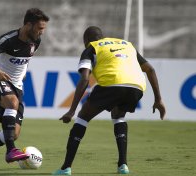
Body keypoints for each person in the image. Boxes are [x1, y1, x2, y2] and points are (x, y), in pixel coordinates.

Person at [52, 26, 166, 175]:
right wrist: (158, 99)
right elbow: (150, 70)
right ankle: (123, 165)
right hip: (136, 86)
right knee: (118, 116)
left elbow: (85, 79)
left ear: (86, 40)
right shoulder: (126, 45)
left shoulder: (91, 47)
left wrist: (72, 110)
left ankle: (65, 168)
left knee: (82, 118)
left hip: (112, 84)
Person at [0, 8, 49, 168]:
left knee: (13, 134)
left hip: (16, 86)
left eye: (43, 29)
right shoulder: (8, 39)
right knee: (12, 103)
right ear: (28, 25)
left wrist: (23, 72)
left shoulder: (36, 41)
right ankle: (11, 151)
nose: (42, 32)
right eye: (40, 28)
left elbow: (26, 59)